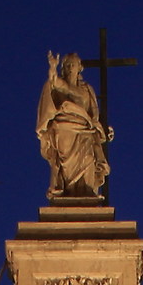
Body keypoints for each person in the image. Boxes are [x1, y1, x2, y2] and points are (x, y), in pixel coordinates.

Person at [36, 52, 111, 198]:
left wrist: (103, 128)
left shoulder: (87, 90)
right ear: (63, 68)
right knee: (66, 165)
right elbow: (53, 80)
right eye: (67, 65)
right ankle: (67, 191)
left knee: (89, 159)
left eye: (73, 65)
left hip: (86, 131)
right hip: (64, 129)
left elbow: (94, 115)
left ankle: (87, 192)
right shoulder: (59, 86)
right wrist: (52, 67)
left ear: (79, 67)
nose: (70, 68)